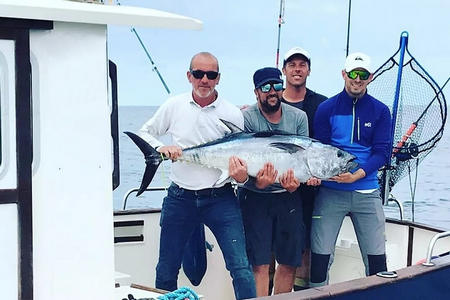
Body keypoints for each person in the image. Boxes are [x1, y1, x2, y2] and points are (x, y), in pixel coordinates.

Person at [139, 52, 256, 300]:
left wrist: (242, 177)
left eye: (211, 75)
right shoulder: (174, 105)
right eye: (198, 74)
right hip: (180, 197)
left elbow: (241, 162)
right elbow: (146, 132)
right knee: (167, 268)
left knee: (240, 267)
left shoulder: (232, 113)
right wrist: (160, 148)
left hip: (221, 199)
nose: (204, 79)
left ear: (218, 79)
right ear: (189, 76)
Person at [229, 67, 319, 297]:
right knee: (259, 264)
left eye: (277, 86)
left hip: (287, 198)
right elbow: (241, 165)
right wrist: (256, 183)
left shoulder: (298, 117)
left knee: (289, 262)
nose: (272, 92)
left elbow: (303, 161)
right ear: (256, 92)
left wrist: (295, 184)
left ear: (282, 88)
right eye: (265, 87)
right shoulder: (246, 117)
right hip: (254, 198)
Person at [310, 52, 392, 286]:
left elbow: (382, 152)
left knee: (378, 263)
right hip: (330, 192)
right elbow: (321, 149)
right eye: (353, 73)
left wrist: (358, 174)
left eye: (363, 74)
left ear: (371, 77)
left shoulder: (380, 111)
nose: (357, 79)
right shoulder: (326, 109)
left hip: (367, 193)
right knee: (319, 261)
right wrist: (325, 176)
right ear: (343, 74)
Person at [281, 46, 327, 291]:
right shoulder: (271, 100)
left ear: (309, 70)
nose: (297, 69)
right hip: (274, 189)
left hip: (309, 189)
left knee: (304, 249)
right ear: (284, 70)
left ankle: (299, 295)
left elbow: (328, 143)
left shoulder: (322, 104)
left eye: (302, 65)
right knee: (268, 250)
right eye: (292, 65)